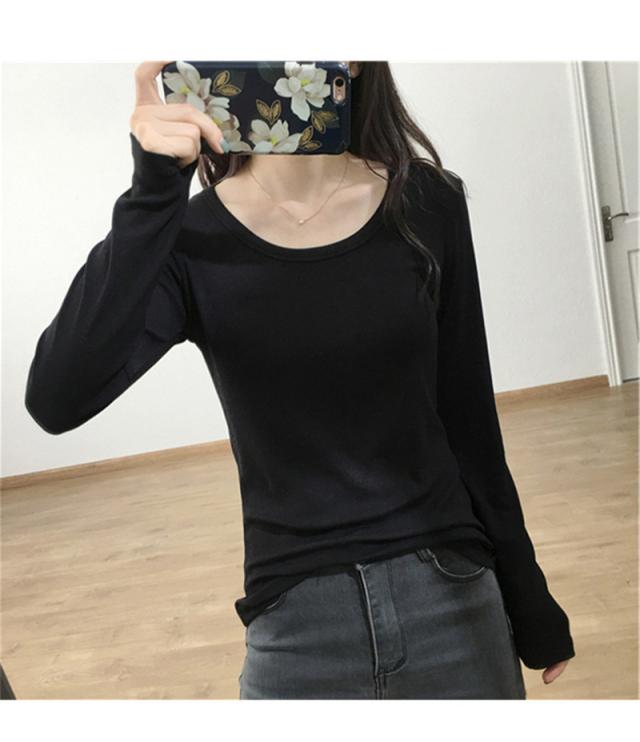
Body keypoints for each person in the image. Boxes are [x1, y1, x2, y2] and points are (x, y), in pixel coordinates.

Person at [24, 60, 575, 699]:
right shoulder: (189, 239)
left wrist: (529, 596)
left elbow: (469, 415)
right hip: (294, 617)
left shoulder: (427, 202)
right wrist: (153, 194)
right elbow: (57, 398)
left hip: (451, 592)